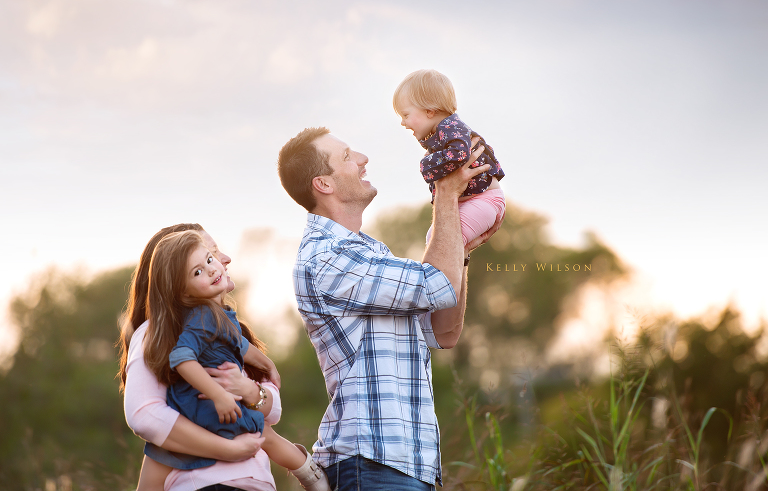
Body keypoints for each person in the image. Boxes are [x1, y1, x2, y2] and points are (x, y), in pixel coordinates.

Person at [276, 127, 503, 490]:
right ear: (324, 184)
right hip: (371, 463)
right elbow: (435, 285)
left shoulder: (370, 252)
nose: (363, 159)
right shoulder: (328, 256)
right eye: (348, 156)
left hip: (406, 464)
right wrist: (445, 194)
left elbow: (443, 331)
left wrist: (463, 252)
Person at [118, 224, 317, 491]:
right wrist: (227, 449)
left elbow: (274, 409)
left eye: (211, 256)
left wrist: (248, 389)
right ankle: (314, 475)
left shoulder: (229, 328)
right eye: (209, 254)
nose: (224, 259)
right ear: (177, 284)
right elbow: (144, 415)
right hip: (204, 483)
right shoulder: (157, 332)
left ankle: (313, 474)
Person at [393, 69, 506, 246]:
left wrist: (426, 165)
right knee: (434, 239)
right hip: (471, 202)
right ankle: (459, 264)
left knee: (445, 243)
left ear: (429, 111)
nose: (402, 122)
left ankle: (452, 265)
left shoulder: (451, 127)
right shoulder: (442, 134)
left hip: (484, 199)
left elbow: (458, 155)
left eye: (405, 115)